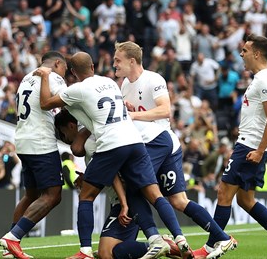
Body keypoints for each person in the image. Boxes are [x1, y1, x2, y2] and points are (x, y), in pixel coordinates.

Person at [30, 52, 191, 259]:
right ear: (94, 67)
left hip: (112, 143)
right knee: (154, 195)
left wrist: (44, 76)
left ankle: (85, 251)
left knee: (86, 197)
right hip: (134, 140)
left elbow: (45, 104)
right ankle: (177, 239)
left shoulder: (76, 90)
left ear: (72, 72)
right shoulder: (110, 82)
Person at [113, 41, 236, 258]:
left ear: (131, 61)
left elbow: (165, 110)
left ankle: (157, 239)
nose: (114, 64)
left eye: (117, 60)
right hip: (152, 144)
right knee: (178, 200)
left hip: (159, 142)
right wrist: (128, 109)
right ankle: (223, 238)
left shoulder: (153, 79)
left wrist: (133, 115)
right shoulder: (124, 85)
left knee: (132, 186)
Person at [194, 35, 267, 259]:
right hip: (251, 145)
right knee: (245, 200)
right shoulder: (261, 78)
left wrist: (260, 150)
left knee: (223, 193)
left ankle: (212, 246)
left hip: (250, 147)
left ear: (256, 53)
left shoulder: (266, 80)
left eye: (244, 50)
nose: (241, 54)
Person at [54, 110, 182, 259]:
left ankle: (164, 244)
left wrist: (123, 204)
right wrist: (88, 176)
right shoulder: (96, 138)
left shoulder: (93, 140)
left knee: (106, 253)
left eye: (62, 134)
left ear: (71, 126)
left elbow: (113, 173)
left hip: (125, 204)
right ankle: (163, 245)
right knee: (112, 252)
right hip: (123, 202)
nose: (64, 139)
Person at [0, 52, 68, 259]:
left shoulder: (26, 78)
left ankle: (10, 247)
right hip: (41, 142)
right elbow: (69, 101)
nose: (65, 73)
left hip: (22, 140)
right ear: (57, 63)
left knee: (31, 194)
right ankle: (13, 237)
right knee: (53, 195)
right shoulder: (53, 77)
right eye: (65, 68)